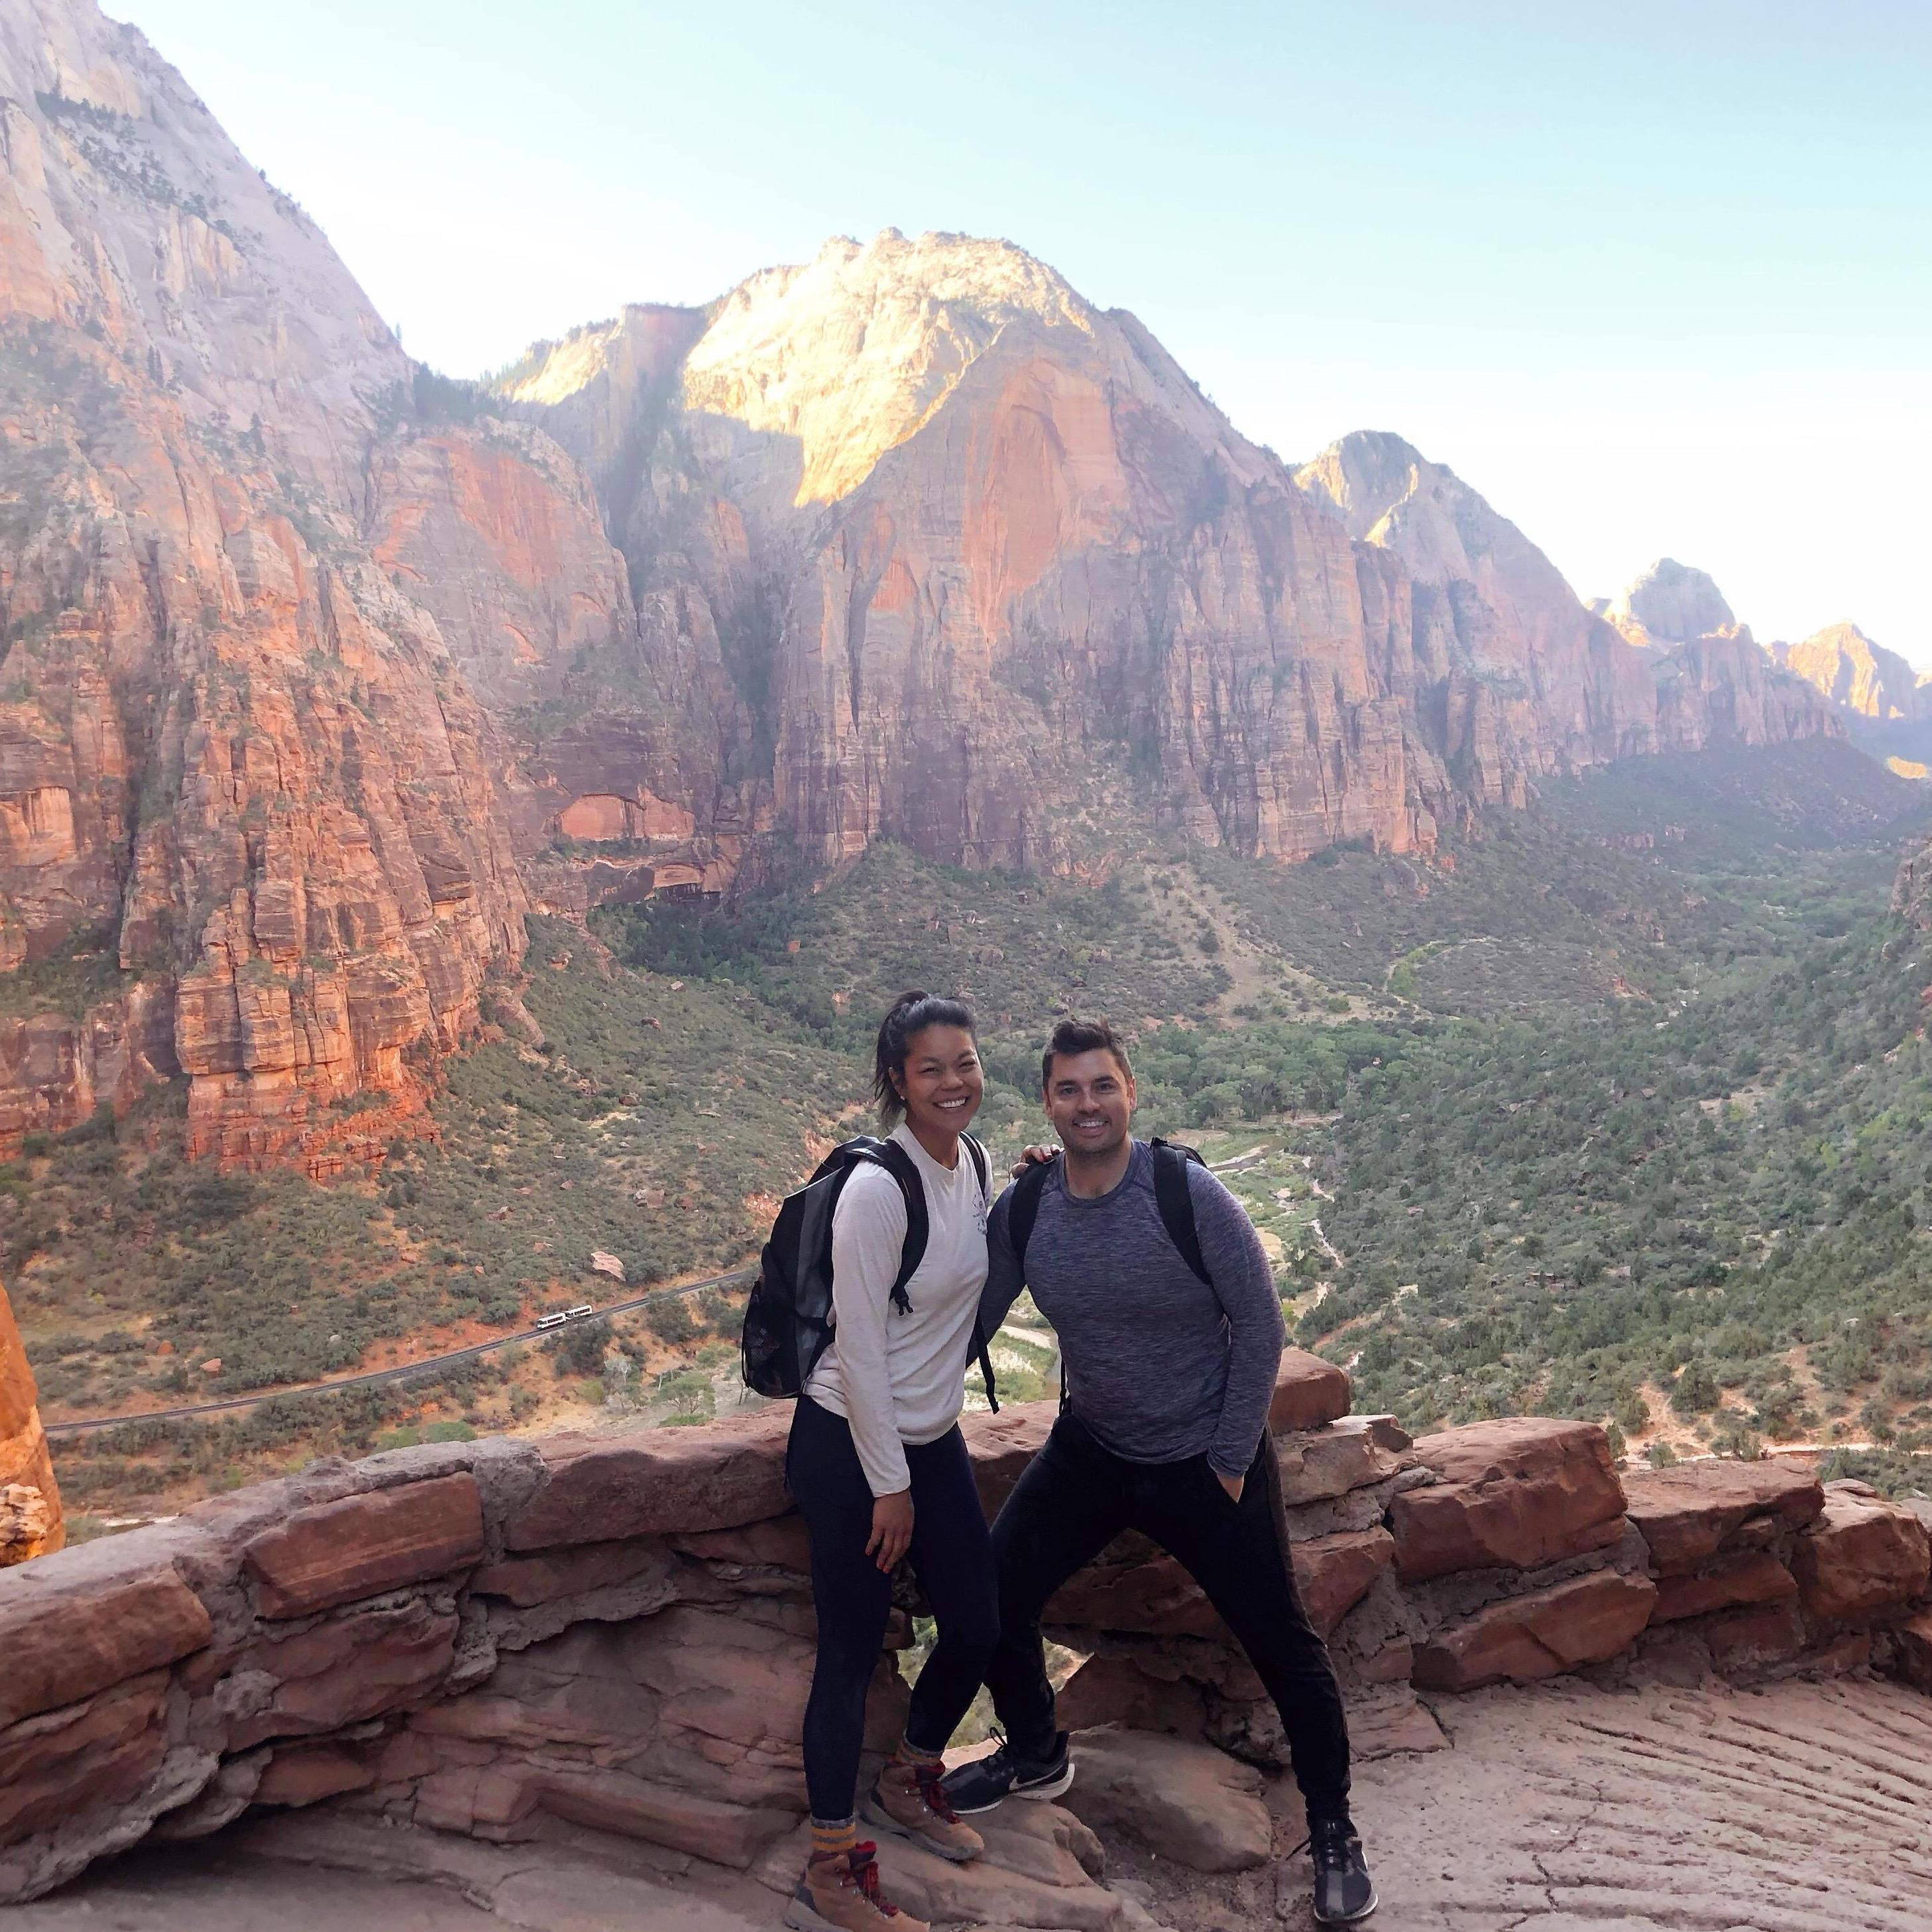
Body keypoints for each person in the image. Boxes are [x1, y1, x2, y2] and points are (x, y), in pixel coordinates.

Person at [942, 1017, 1379, 1927]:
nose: (1087, 1104)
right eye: (1069, 1089)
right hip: (1093, 1449)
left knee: (1283, 1646)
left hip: (1203, 1458)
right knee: (989, 1590)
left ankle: (1335, 1829)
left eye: (1102, 1086)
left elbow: (1259, 1324)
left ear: (1130, 1092)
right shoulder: (1028, 1208)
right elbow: (971, 1321)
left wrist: (1226, 1461)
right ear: (1050, 1103)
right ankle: (1033, 1750)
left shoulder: (1185, 1193)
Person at [783, 992, 1001, 1932]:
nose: (952, 1083)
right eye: (930, 1069)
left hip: (930, 1433)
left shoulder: (975, 1164)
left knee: (982, 1625)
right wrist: (888, 1485)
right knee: (847, 1651)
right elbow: (860, 1349)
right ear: (897, 1082)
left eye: (965, 1063)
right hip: (849, 1445)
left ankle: (911, 1779)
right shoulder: (878, 1190)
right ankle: (832, 1869)